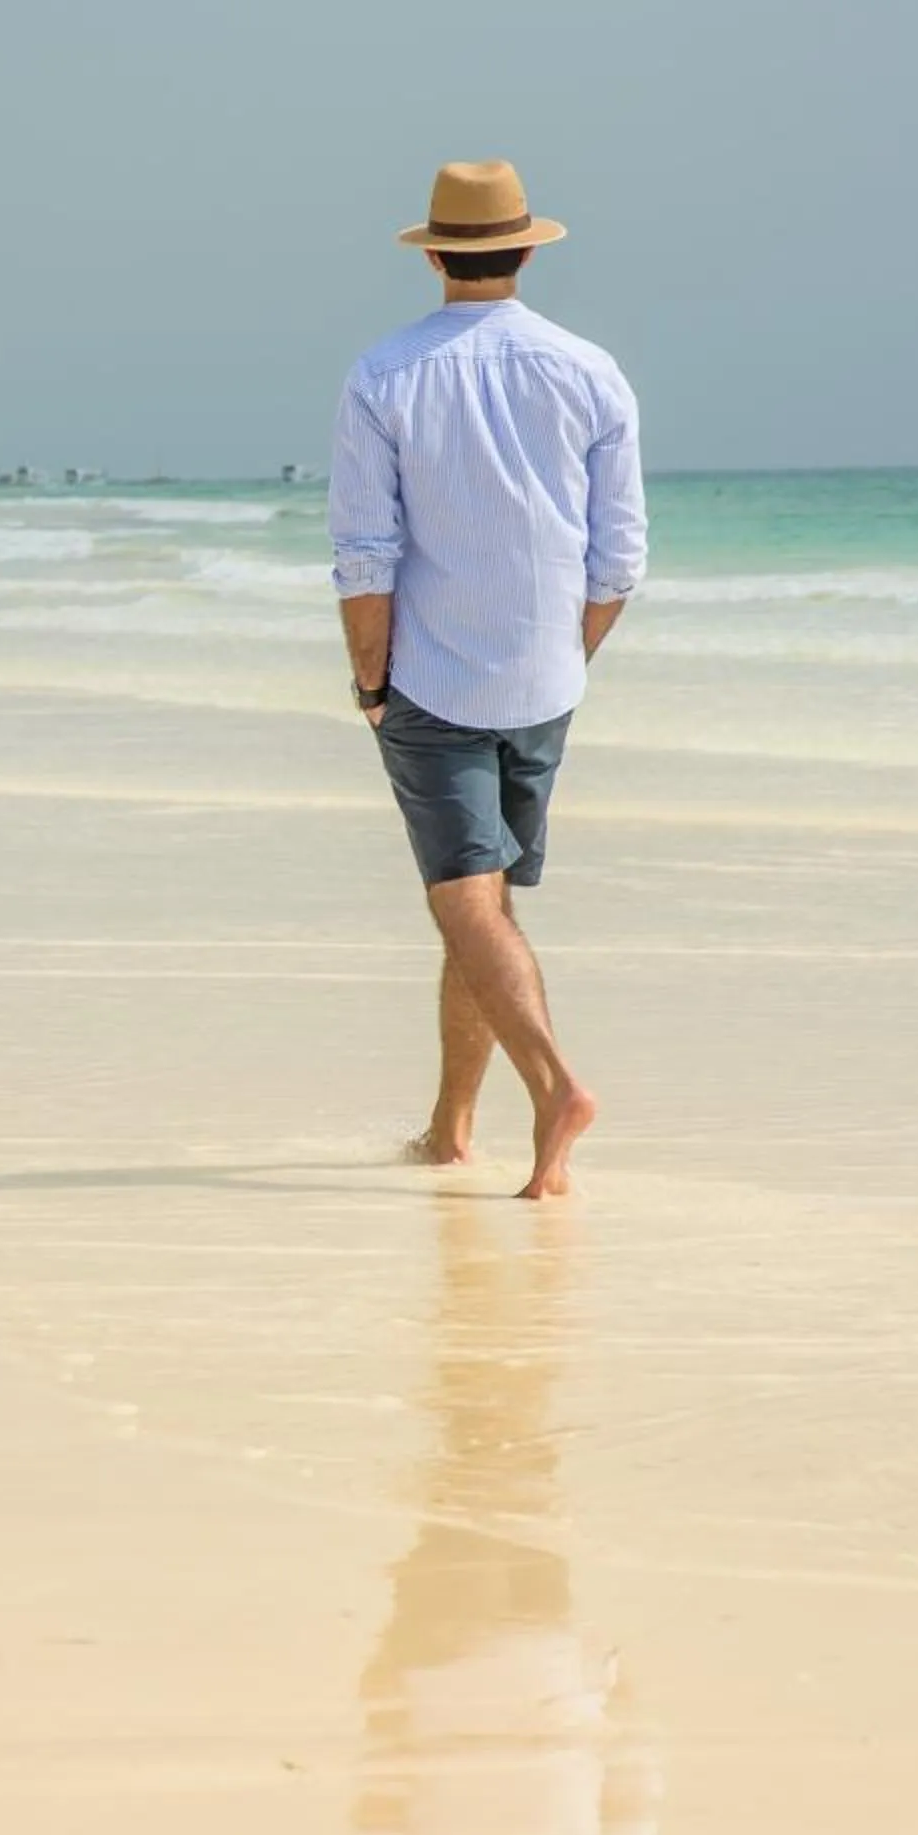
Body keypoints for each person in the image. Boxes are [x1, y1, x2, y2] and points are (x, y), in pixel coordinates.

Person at [329, 159, 646, 1198]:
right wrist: (566, 655)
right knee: (486, 903)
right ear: (523, 246)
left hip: (434, 679)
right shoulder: (591, 368)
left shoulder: (384, 374)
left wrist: (371, 683)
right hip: (546, 679)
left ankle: (555, 1089)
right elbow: (619, 561)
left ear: (435, 255)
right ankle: (450, 1129)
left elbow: (365, 555)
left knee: (466, 903)